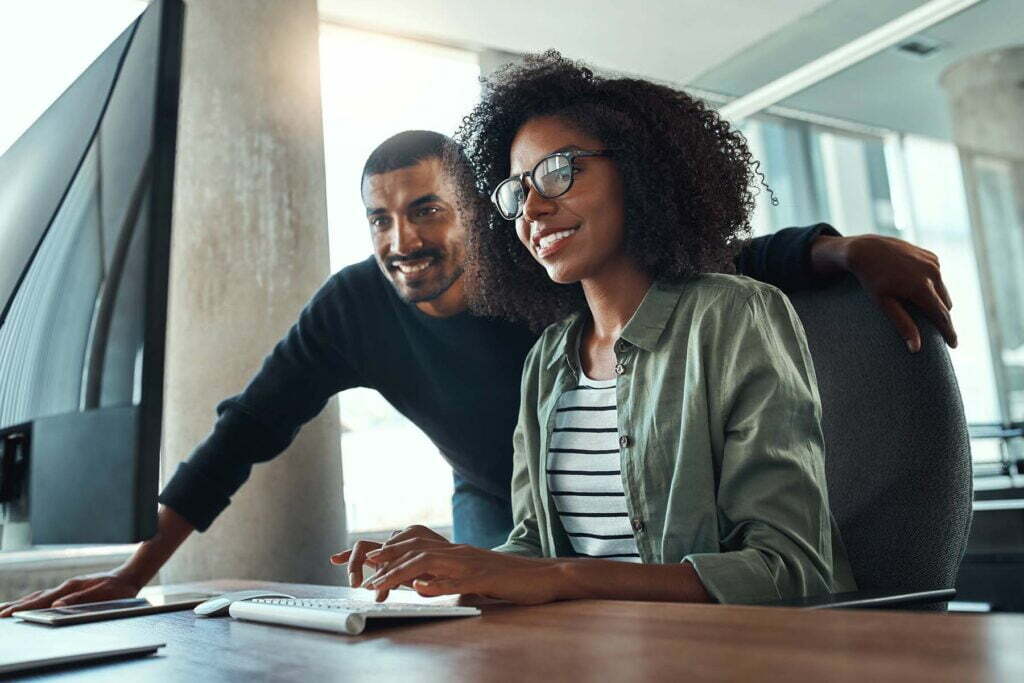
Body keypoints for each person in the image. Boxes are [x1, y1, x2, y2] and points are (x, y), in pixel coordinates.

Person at [2, 116, 950, 614]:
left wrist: (842, 250)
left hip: (650, 493)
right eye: (379, 218)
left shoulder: (540, 264)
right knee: (476, 624)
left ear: (474, 212)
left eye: (426, 209)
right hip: (509, 504)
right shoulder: (353, 308)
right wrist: (137, 570)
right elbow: (244, 429)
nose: (402, 239)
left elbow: (704, 264)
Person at [333, 52, 859, 605]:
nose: (532, 209)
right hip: (590, 646)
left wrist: (566, 576)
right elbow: (534, 550)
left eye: (558, 172)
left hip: (731, 648)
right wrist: (452, 567)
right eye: (517, 191)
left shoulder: (734, 316)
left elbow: (790, 571)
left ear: (636, 169)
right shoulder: (547, 358)